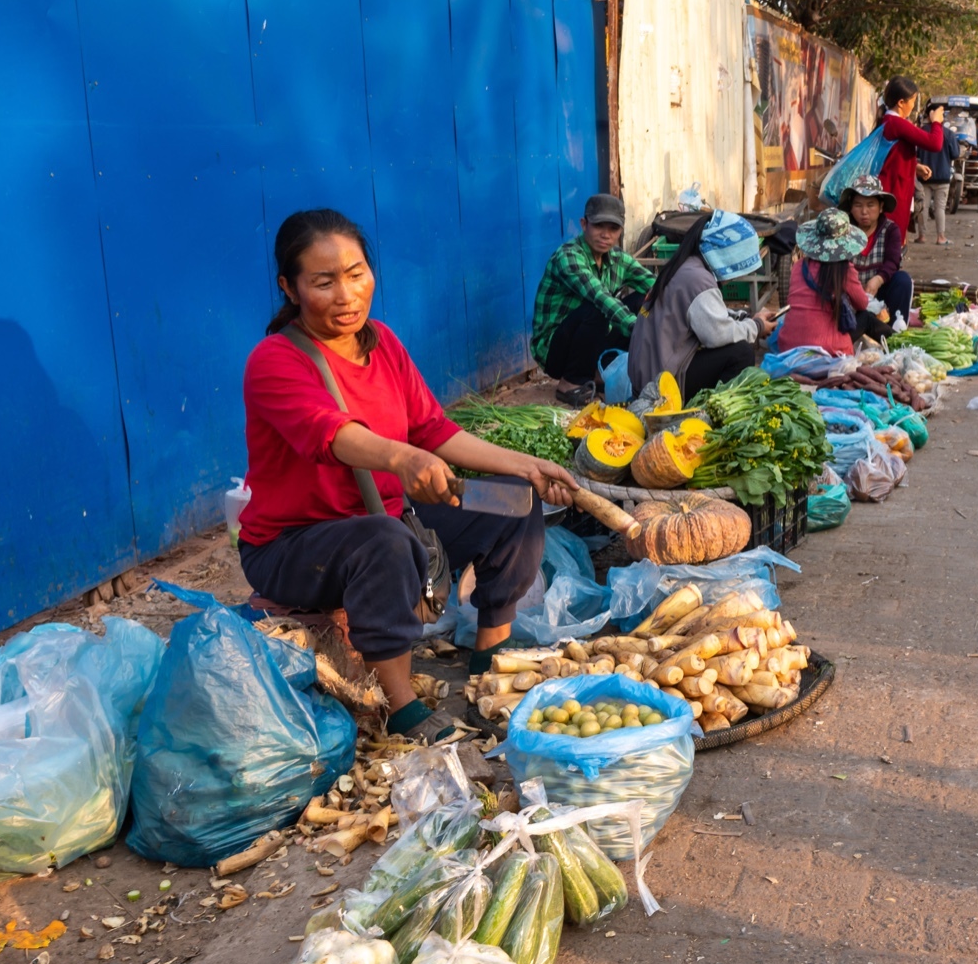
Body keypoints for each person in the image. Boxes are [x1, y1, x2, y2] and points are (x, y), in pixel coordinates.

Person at [238, 209, 581, 743]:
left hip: (387, 519)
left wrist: (527, 467)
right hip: (292, 545)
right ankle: (402, 708)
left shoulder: (385, 345)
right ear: (290, 287)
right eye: (324, 282)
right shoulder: (274, 361)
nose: (347, 295)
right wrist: (402, 459)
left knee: (510, 502)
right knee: (385, 539)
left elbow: (434, 429)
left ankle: (490, 659)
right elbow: (332, 435)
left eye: (356, 274)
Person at [627, 210, 772, 399]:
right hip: (660, 386)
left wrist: (743, 318)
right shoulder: (698, 280)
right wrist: (757, 327)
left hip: (648, 374)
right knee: (741, 353)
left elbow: (707, 314)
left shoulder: (687, 266)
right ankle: (715, 411)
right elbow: (717, 334)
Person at [529, 193, 653, 406]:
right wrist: (640, 328)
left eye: (613, 229)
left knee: (645, 301)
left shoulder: (618, 259)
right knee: (599, 309)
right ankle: (570, 382)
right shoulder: (568, 257)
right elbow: (600, 297)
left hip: (589, 340)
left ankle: (598, 373)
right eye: (599, 226)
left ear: (621, 230)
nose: (606, 235)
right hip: (554, 350)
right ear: (584, 224)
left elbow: (656, 285)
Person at [777, 209, 893, 356]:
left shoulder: (800, 266)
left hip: (789, 345)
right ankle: (901, 344)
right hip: (829, 349)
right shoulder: (845, 270)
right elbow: (862, 304)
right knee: (866, 318)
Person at [877, 77, 947, 243]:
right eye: (913, 100)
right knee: (894, 240)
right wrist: (936, 122)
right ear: (901, 102)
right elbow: (935, 143)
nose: (913, 106)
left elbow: (892, 155)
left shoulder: (889, 121)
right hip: (895, 190)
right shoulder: (897, 123)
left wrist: (915, 166)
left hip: (894, 186)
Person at [841, 175, 913, 323]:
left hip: (877, 291)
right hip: (848, 293)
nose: (864, 211)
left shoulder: (890, 230)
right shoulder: (843, 229)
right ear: (851, 207)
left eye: (870, 205)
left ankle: (895, 330)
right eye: (858, 205)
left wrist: (878, 279)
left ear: (881, 207)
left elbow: (893, 261)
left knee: (903, 280)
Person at [912, 112, 956, 243]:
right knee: (940, 208)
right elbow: (955, 153)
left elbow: (915, 152)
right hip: (942, 176)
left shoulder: (921, 132)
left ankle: (922, 236)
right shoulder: (948, 134)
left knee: (923, 207)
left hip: (924, 175)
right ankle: (940, 237)